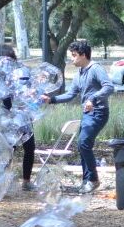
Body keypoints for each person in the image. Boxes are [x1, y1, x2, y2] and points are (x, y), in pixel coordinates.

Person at [41, 41, 114, 194]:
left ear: (83, 55)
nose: (71, 59)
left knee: (83, 143)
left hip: (99, 112)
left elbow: (109, 87)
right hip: (87, 114)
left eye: (74, 56)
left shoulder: (96, 69)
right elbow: (70, 94)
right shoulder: (79, 73)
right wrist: (51, 99)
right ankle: (87, 181)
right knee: (82, 146)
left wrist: (92, 99)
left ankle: (93, 180)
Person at [0, 44, 35, 191]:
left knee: (27, 148)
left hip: (21, 116)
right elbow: (1, 96)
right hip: (9, 117)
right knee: (10, 149)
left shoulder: (19, 71)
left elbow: (26, 91)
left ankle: (25, 181)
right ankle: (2, 181)